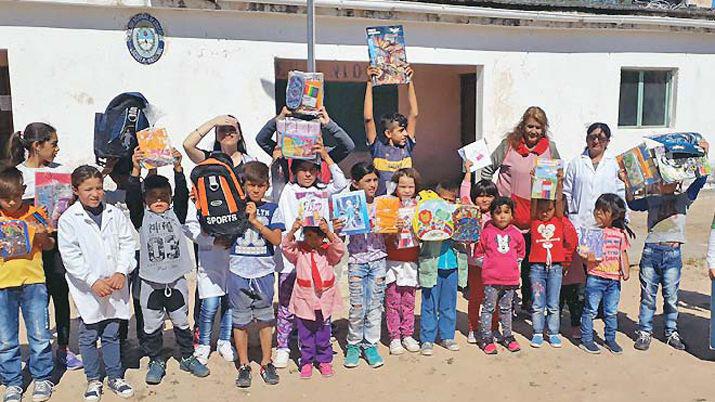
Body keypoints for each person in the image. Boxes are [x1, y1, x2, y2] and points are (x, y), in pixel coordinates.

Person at [125, 148, 210, 385]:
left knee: (181, 321)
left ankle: (188, 357)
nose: (159, 200)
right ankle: (156, 359)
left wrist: (178, 168)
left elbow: (182, 193)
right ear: (145, 200)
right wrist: (135, 169)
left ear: (171, 198)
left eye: (164, 196)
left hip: (176, 280)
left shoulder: (177, 215)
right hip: (151, 283)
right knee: (152, 325)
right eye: (153, 196)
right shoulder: (141, 218)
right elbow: (131, 195)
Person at [4, 123, 83, 370]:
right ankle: (40, 348)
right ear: (37, 146)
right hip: (25, 254)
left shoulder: (62, 172)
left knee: (60, 294)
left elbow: (70, 208)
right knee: (35, 299)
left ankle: (63, 348)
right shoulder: (16, 175)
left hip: (55, 242)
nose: (57, 149)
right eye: (53, 144)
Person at [58, 166, 136, 400]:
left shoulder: (115, 213)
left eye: (99, 188)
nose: (95, 194)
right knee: (89, 333)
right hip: (88, 288)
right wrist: (92, 281)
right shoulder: (69, 219)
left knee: (112, 332)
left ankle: (115, 376)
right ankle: (93, 379)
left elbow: (126, 243)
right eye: (88, 189)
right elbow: (70, 256)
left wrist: (121, 272)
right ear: (75, 190)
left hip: (114, 284)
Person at [624, 139, 709, 352]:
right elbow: (633, 203)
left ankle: (671, 332)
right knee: (648, 295)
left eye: (670, 177)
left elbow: (701, 180)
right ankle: (644, 331)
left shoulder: (684, 198)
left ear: (678, 179)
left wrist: (704, 155)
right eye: (662, 177)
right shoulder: (652, 199)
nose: (666, 181)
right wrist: (626, 181)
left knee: (672, 297)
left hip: (672, 253)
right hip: (651, 252)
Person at [274, 140, 348, 368]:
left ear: (318, 172)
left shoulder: (324, 189)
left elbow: (342, 183)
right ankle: (284, 345)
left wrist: (325, 156)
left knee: (318, 300)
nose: (307, 174)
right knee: (287, 303)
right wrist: (277, 158)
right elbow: (275, 179)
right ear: (294, 172)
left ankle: (321, 344)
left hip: (319, 255)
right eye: (302, 170)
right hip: (292, 255)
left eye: (312, 170)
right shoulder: (288, 190)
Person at [479, 107, 560, 311]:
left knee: (533, 262)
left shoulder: (550, 148)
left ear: (544, 129)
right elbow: (487, 170)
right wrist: (492, 197)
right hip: (508, 214)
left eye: (538, 127)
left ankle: (530, 301)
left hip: (536, 214)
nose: (533, 131)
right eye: (530, 126)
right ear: (523, 126)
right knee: (508, 259)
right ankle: (508, 301)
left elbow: (559, 174)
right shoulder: (508, 145)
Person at [562, 123, 625, 338]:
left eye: (601, 137)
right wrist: (570, 219)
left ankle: (597, 317)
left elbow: (620, 195)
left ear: (608, 141)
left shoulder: (614, 165)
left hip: (604, 229)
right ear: (587, 138)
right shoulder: (576, 164)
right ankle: (577, 321)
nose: (596, 141)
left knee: (599, 272)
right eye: (592, 136)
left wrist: (619, 224)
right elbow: (567, 193)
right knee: (577, 276)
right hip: (580, 225)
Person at [0, 167, 55, 402]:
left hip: (34, 282)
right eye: (5, 197)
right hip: (2, 285)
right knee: (5, 339)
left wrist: (42, 234)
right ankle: (12, 382)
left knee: (40, 334)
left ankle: (42, 378)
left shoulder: (36, 213)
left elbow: (50, 244)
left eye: (16, 196)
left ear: (24, 191)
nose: (12, 202)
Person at [228, 161, 283, 388]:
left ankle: (266, 361)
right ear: (243, 185)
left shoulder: (272, 209)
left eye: (261, 185)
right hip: (238, 270)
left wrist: (255, 222)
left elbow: (277, 239)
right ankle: (243, 364)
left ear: (267, 186)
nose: (256, 190)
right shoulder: (234, 207)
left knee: (264, 319)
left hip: (263, 272)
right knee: (240, 321)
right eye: (251, 185)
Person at [282, 219, 345, 379]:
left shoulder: (328, 252)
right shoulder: (299, 252)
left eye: (317, 236)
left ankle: (324, 360)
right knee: (305, 334)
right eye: (308, 236)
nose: (312, 240)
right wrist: (293, 229)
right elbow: (286, 246)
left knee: (324, 333)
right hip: (305, 300)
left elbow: (339, 249)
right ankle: (307, 362)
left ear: (322, 237)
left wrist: (329, 232)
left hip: (324, 299)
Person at [255, 105, 355, 200]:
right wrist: (279, 119)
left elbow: (348, 146)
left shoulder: (322, 153)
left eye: (311, 130)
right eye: (301, 130)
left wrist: (328, 124)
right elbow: (261, 139)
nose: (305, 136)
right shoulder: (286, 151)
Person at [342, 162, 388, 367]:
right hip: (357, 262)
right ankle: (353, 344)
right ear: (355, 183)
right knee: (358, 306)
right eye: (367, 180)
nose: (373, 184)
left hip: (378, 260)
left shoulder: (384, 204)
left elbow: (391, 230)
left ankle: (370, 345)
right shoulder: (349, 204)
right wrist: (337, 226)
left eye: (375, 180)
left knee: (375, 306)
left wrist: (395, 225)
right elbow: (339, 234)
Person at [417, 181, 469, 356]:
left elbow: (468, 238)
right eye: (443, 200)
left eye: (451, 200)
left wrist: (460, 224)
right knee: (429, 303)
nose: (447, 204)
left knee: (448, 304)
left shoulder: (459, 219)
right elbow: (419, 234)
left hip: (453, 266)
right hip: (431, 266)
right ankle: (427, 339)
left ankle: (447, 336)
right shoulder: (428, 218)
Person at [579, 193, 634, 354]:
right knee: (590, 310)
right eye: (597, 209)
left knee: (611, 312)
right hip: (595, 276)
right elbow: (585, 255)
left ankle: (610, 339)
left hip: (613, 280)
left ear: (614, 215)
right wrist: (585, 256)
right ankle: (587, 339)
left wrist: (626, 271)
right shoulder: (593, 232)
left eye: (603, 211)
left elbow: (622, 253)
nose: (598, 213)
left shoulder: (620, 234)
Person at [528, 173, 578, 348]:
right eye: (541, 209)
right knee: (537, 302)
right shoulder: (534, 220)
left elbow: (558, 202)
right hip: (537, 268)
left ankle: (554, 332)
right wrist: (534, 182)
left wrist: (560, 182)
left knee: (553, 303)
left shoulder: (558, 220)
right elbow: (534, 202)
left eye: (548, 209)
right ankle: (537, 332)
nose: (544, 213)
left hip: (555, 267)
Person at [474, 197, 526, 355]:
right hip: (491, 281)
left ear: (512, 215)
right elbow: (478, 254)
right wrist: (491, 267)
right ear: (491, 215)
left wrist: (509, 268)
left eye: (506, 212)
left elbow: (520, 254)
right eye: (498, 212)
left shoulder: (517, 234)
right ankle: (486, 337)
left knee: (506, 309)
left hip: (510, 280)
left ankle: (508, 336)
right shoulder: (486, 233)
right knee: (489, 308)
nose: (502, 216)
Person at [460, 160, 499, 344]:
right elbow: (464, 194)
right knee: (475, 297)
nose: (484, 199)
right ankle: (473, 328)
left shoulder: (498, 216)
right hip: (474, 263)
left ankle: (494, 328)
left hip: (494, 265)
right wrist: (468, 172)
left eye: (489, 196)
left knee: (494, 299)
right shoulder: (471, 211)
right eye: (480, 196)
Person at [364, 65, 419, 195]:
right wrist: (369, 82)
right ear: (388, 133)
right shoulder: (377, 147)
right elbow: (368, 118)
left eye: (405, 130)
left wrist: (409, 81)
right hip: (382, 204)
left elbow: (414, 114)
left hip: (404, 206)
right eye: (400, 131)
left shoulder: (407, 147)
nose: (405, 133)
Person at [384, 168, 422, 355]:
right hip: (393, 260)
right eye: (403, 186)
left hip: (412, 260)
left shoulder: (420, 206)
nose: (407, 190)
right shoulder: (389, 206)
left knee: (409, 301)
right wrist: (393, 228)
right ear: (394, 187)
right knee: (392, 301)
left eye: (411, 186)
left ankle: (407, 334)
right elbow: (383, 235)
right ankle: (394, 337)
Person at [183, 115, 255, 168]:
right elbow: (188, 145)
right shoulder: (209, 159)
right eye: (222, 130)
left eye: (232, 130)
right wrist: (212, 123)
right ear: (216, 136)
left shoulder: (249, 162)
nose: (227, 133)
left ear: (239, 136)